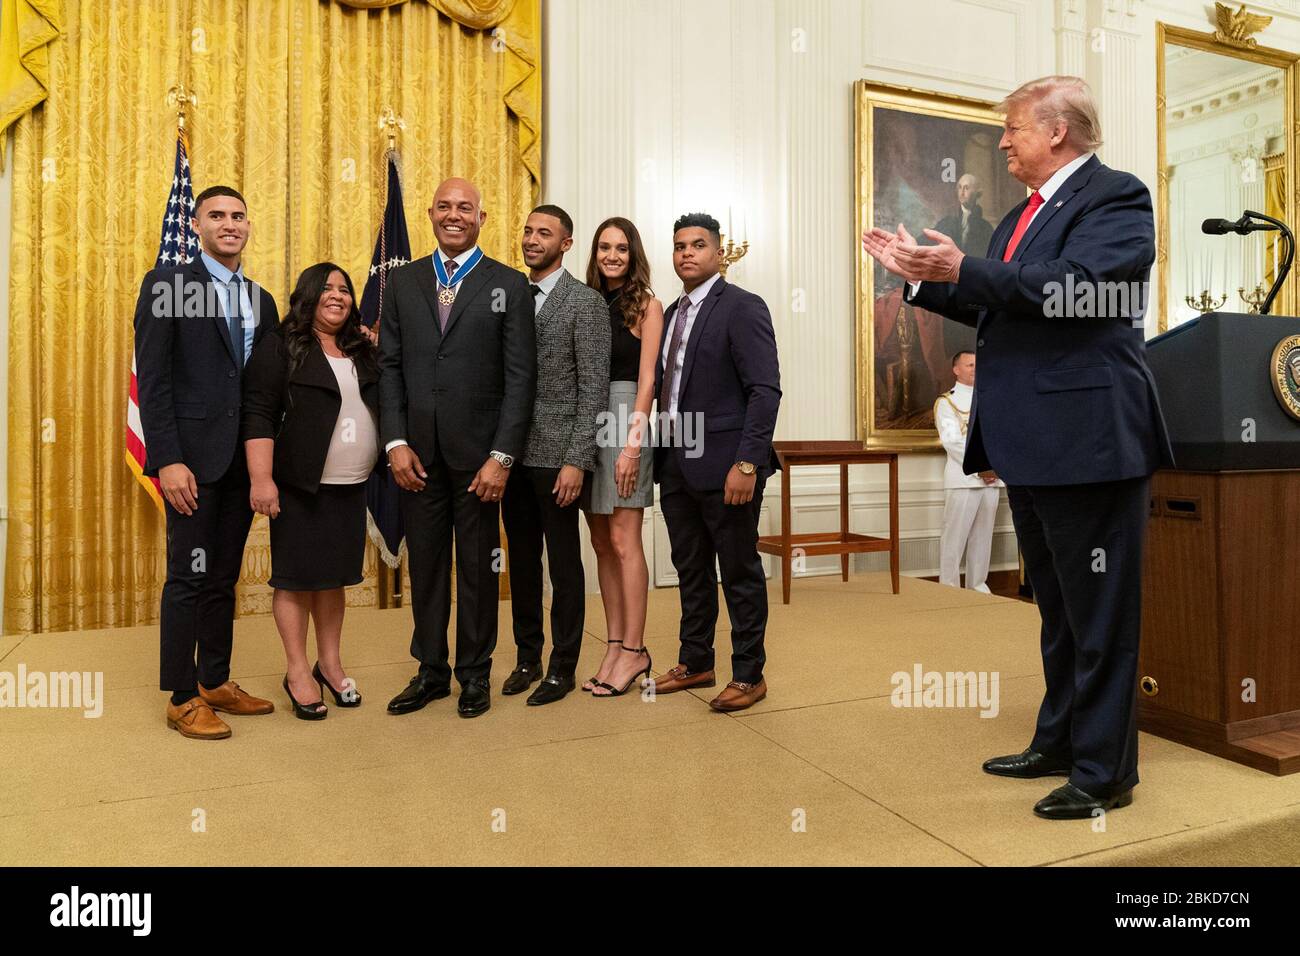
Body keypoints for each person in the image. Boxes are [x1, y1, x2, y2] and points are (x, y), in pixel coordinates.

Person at [862, 75, 1173, 819]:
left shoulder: (1117, 197)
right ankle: (1059, 742)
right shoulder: (1016, 219)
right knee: (1057, 608)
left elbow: (1075, 288)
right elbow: (988, 297)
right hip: (1033, 440)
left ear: (1057, 131)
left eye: (1013, 129)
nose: (1002, 141)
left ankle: (1105, 773)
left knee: (1100, 615)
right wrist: (916, 280)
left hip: (1091, 438)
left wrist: (964, 267)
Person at [380, 177, 536, 719]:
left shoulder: (509, 286)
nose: (454, 215)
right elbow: (391, 367)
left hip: (480, 461)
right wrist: (395, 442)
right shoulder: (402, 283)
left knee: (477, 567)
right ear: (429, 214)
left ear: (481, 218)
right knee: (425, 566)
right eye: (444, 206)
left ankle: (474, 675)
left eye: (464, 208)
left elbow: (521, 380)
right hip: (416, 458)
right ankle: (430, 672)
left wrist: (502, 457)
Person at [134, 185, 278, 740]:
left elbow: (261, 388)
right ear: (196, 226)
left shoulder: (260, 298)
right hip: (189, 463)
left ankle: (215, 680)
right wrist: (167, 458)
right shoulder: (169, 286)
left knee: (222, 577)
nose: (230, 224)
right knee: (188, 578)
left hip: (241, 461)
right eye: (216, 215)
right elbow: (154, 379)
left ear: (248, 225)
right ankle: (181, 696)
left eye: (239, 215)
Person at [652, 212, 781, 713]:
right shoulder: (668, 315)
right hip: (676, 465)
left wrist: (748, 464)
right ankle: (696, 661)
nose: (687, 253)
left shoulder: (743, 307)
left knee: (740, 570)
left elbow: (764, 391)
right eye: (680, 245)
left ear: (718, 252)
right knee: (691, 569)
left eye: (698, 245)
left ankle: (749, 674)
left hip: (729, 467)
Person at [241, 263, 380, 720]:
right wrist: (262, 480)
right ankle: (298, 670)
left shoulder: (360, 349)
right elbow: (259, 413)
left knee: (333, 578)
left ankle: (330, 663)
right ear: (308, 296)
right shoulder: (281, 346)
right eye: (326, 289)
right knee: (297, 580)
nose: (337, 296)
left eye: (344, 289)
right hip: (300, 486)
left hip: (351, 485)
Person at [499, 205, 610, 705]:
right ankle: (528, 657)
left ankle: (563, 666)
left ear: (565, 244)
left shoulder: (585, 304)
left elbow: (594, 391)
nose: (531, 239)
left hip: (559, 455)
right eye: (527, 230)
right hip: (510, 455)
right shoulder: (506, 295)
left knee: (564, 564)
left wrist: (576, 460)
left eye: (544, 233)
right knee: (521, 561)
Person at [580, 217, 664, 697]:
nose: (612, 255)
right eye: (604, 247)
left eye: (621, 248)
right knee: (600, 540)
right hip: (586, 418)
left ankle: (635, 649)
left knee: (624, 536)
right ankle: (615, 644)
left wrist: (632, 444)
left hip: (624, 413)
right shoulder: (589, 303)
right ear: (594, 253)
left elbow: (649, 380)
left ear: (634, 255)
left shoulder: (646, 306)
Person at [934, 350, 1002, 592]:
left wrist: (996, 467)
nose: (975, 368)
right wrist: (981, 468)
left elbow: (1000, 437)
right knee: (954, 538)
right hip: (963, 480)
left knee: (983, 539)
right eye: (969, 364)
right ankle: (948, 588)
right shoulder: (947, 402)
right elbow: (952, 441)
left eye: (977, 364)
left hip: (993, 479)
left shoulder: (991, 399)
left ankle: (978, 585)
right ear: (956, 370)